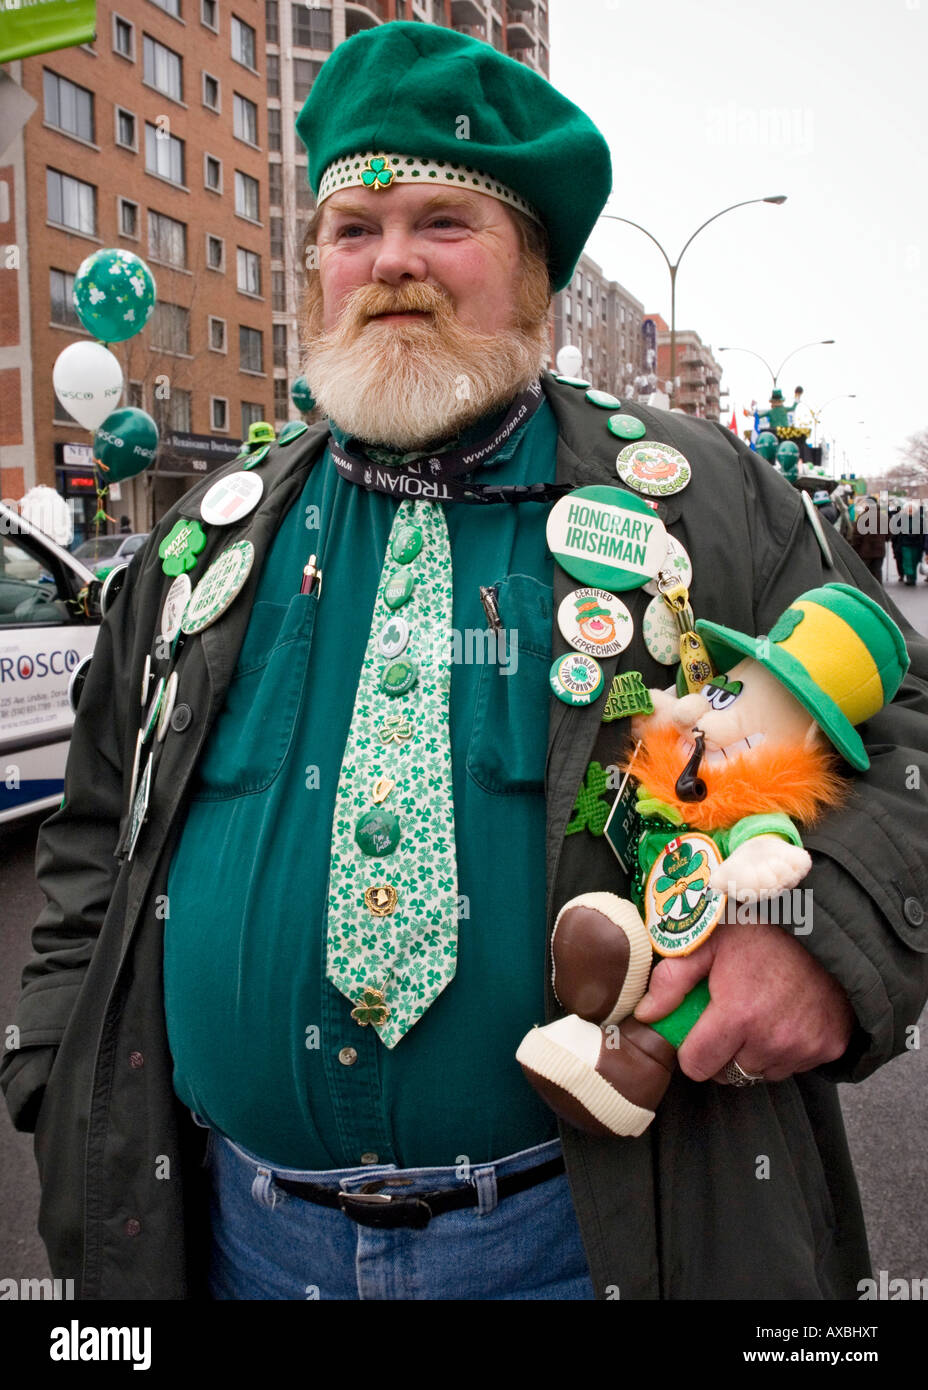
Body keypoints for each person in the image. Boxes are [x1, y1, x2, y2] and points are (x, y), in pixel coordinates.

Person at [4, 21, 928, 1303]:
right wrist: (57, 1063)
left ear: (537, 278)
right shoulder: (200, 545)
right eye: (352, 228)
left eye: (445, 222)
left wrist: (812, 934)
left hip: (598, 1241)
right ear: (316, 266)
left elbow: (899, 732)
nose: (391, 262)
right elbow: (98, 828)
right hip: (234, 1244)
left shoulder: (702, 507)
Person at [849, 495, 887, 582]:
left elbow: (856, 535)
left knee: (866, 573)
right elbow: (889, 534)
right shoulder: (883, 517)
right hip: (879, 550)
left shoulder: (862, 517)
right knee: (877, 572)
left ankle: (867, 591)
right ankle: (879, 591)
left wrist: (854, 547)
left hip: (865, 551)